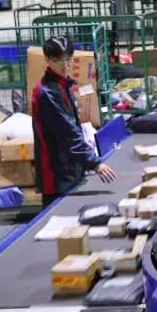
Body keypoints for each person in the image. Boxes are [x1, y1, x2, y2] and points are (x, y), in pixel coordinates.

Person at [31, 36, 116, 208]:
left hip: (68, 168)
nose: (65, 65)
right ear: (47, 59)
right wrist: (95, 163)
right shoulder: (47, 93)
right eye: (58, 60)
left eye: (68, 59)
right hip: (56, 174)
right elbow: (67, 133)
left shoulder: (61, 85)